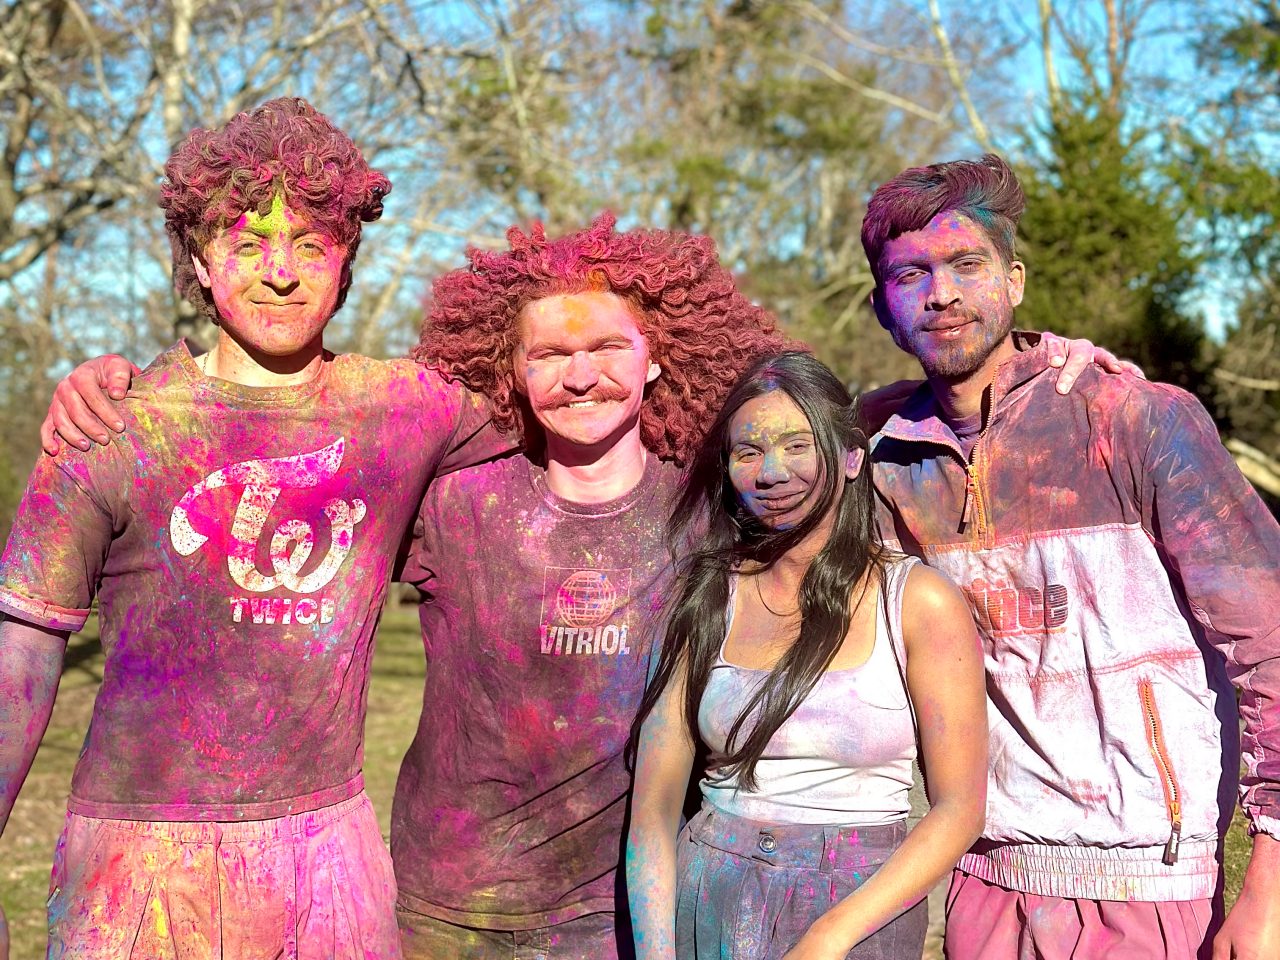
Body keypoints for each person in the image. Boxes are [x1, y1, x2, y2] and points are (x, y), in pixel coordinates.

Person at [36, 216, 1120, 959]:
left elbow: (831, 433)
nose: (582, 372)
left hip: (621, 912)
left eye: (609, 345)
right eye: (549, 354)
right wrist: (117, 387)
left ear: (658, 360)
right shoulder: (449, 495)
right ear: (508, 373)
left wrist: (1038, 360)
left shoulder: (714, 508)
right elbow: (285, 441)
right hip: (438, 903)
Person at [0, 98, 506, 959]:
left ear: (347, 263)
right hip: (137, 857)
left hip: (327, 856)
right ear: (199, 263)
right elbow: (23, 647)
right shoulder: (113, 428)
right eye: (247, 245)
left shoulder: (405, 410)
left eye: (312, 245)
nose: (281, 273)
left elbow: (567, 395)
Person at [860, 153, 1280, 960]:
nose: (940, 293)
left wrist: (1270, 880)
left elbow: (1271, 648)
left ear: (1015, 280)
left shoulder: (1134, 420)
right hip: (985, 879)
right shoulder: (883, 465)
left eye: (966, 264)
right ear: (883, 307)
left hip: (1149, 885)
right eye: (909, 274)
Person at [626, 352, 987, 960]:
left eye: (797, 445)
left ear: (850, 458)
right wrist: (657, 952)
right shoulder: (708, 596)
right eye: (748, 453)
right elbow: (654, 812)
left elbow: (959, 809)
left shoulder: (917, 602)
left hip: (859, 904)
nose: (771, 472)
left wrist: (829, 938)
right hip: (710, 892)